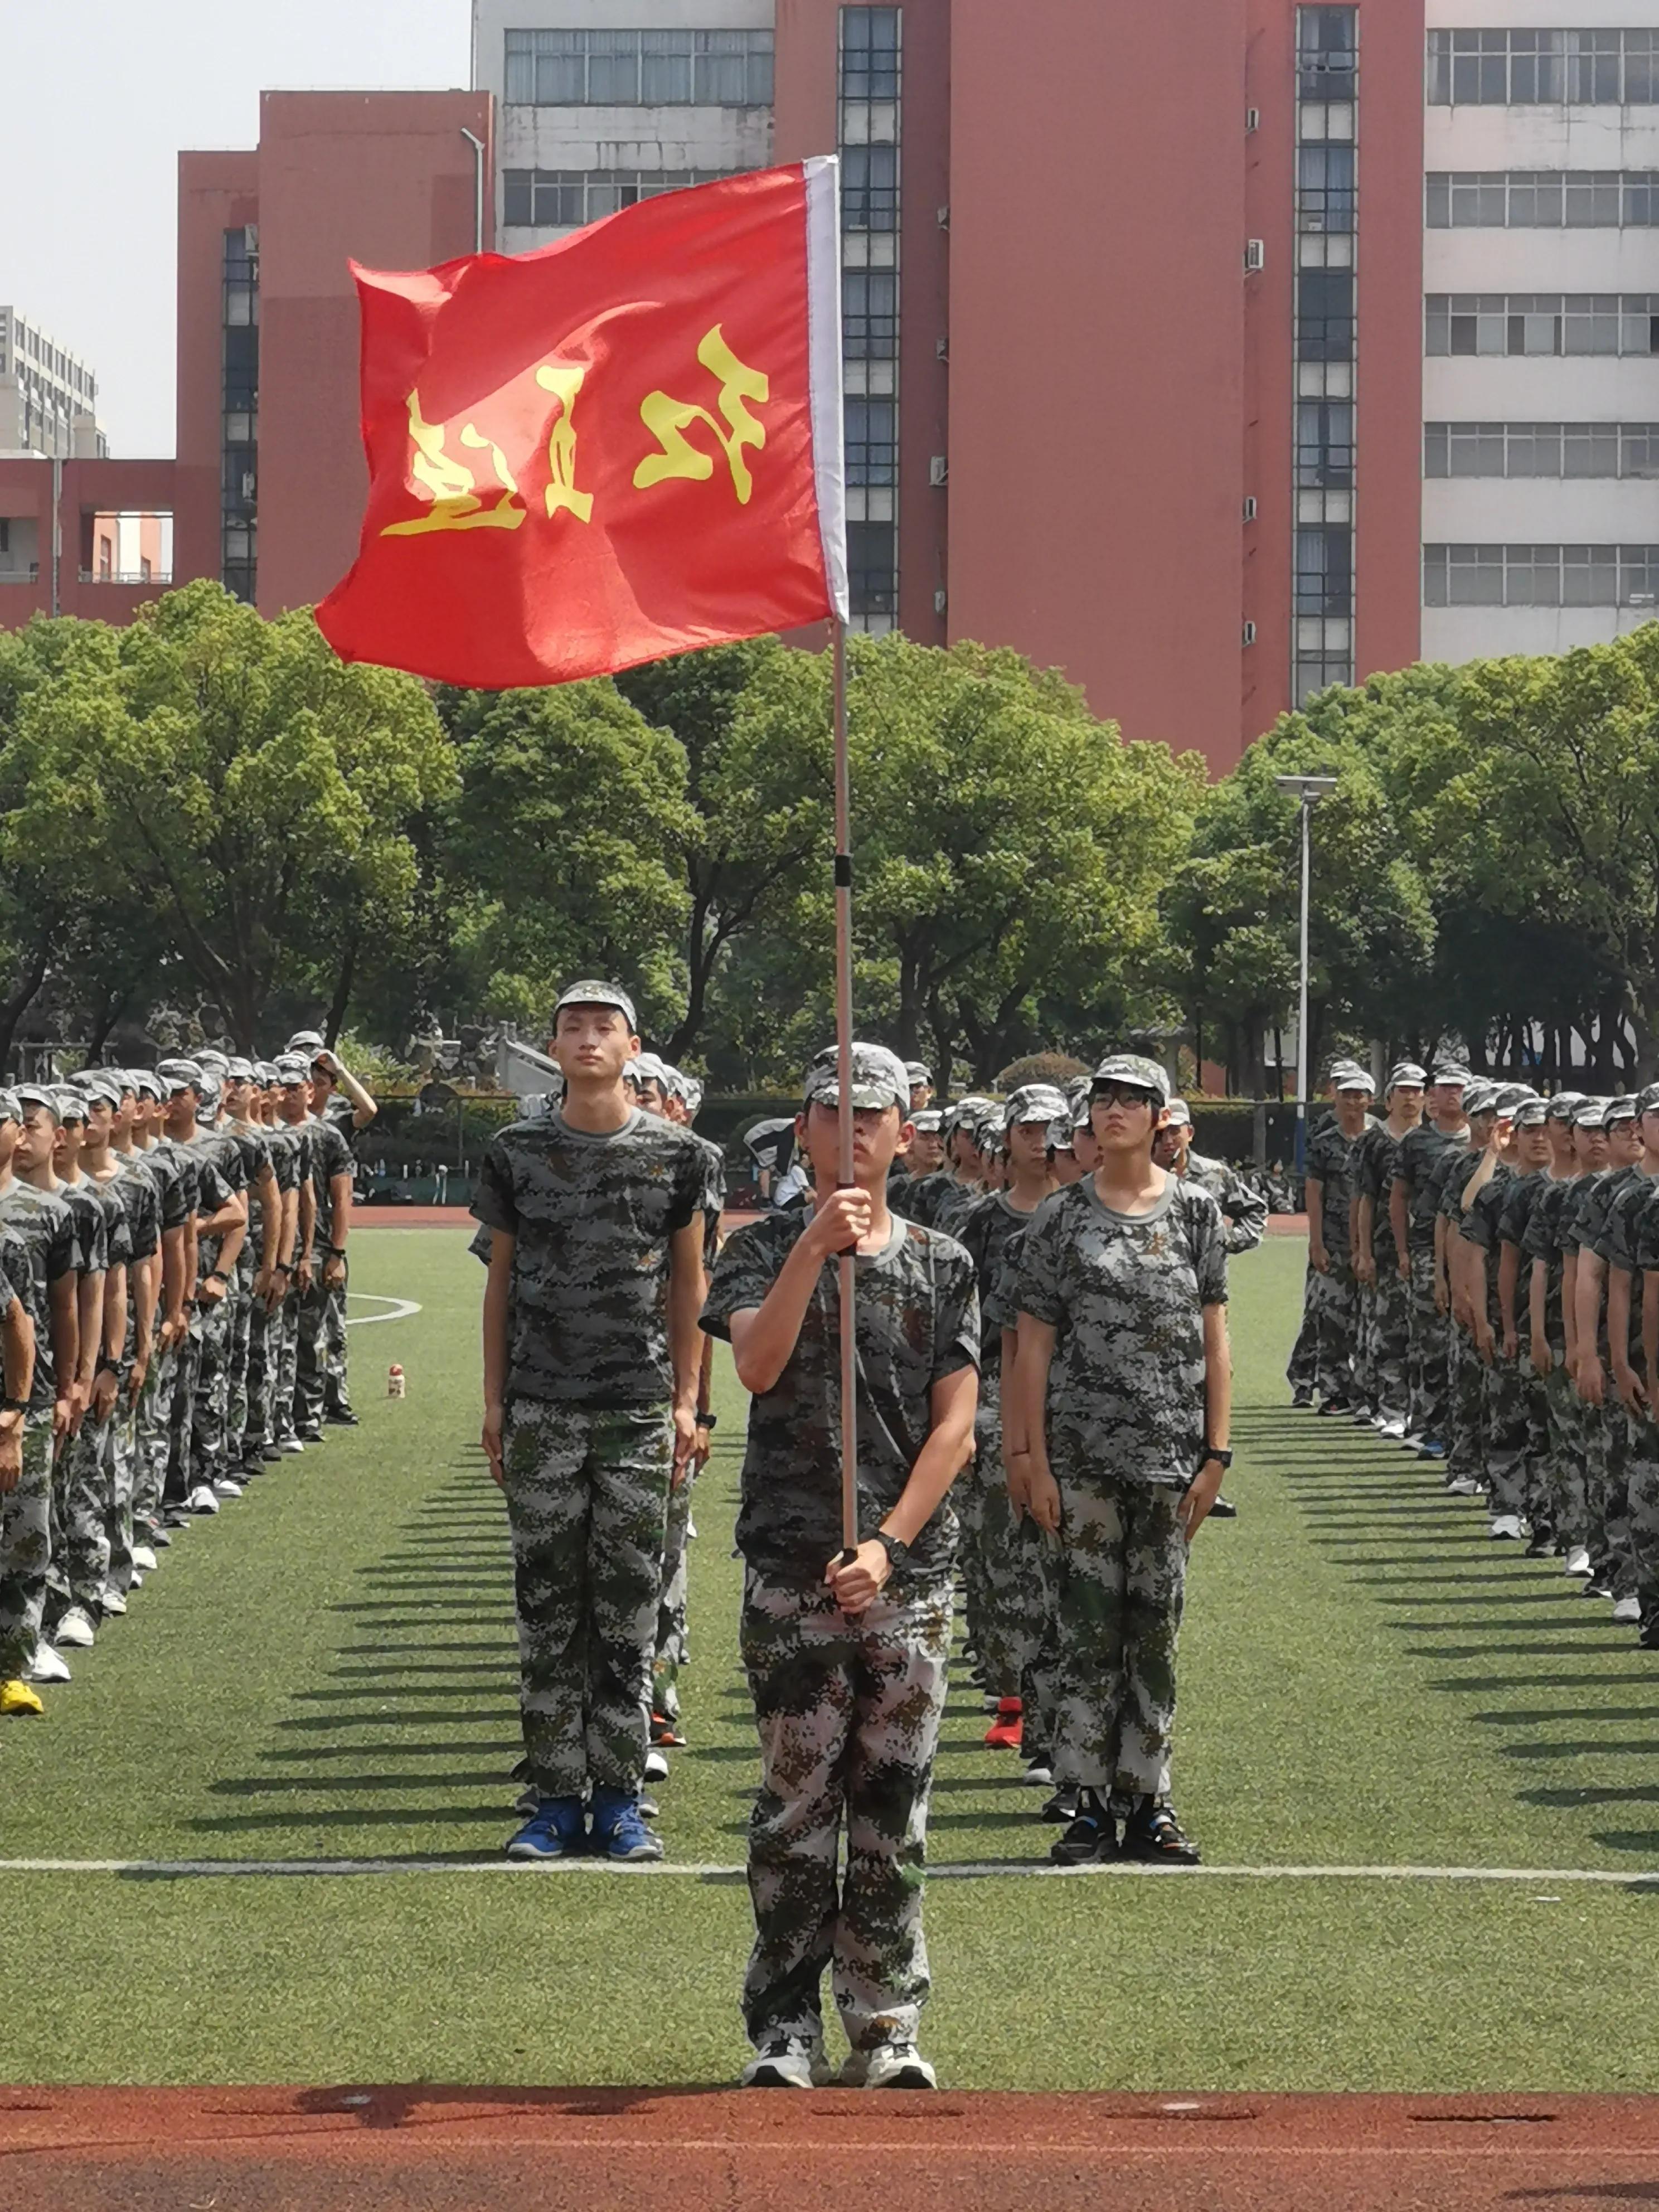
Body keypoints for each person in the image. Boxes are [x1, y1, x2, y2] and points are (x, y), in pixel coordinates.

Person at [701, 1042, 977, 2092]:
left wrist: (889, 1543)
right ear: (804, 1128)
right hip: (791, 1561)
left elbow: (955, 1428)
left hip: (906, 1575)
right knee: (794, 1803)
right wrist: (811, 1250)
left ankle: (886, 2021)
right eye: (833, 1111)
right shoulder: (760, 1245)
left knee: (891, 1805)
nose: (854, 1128)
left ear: (905, 1132)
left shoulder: (945, 1262)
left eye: (875, 1113)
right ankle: (784, 2026)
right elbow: (756, 1364)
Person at [473, 980, 707, 1865]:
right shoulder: (516, 1151)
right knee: (547, 1608)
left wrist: (687, 1400)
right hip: (542, 1403)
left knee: (627, 1612)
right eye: (571, 1027)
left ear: (631, 1045)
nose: (586, 1040)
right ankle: (553, 1798)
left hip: (638, 1408)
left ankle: (618, 1799)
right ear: (555, 1045)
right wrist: (495, 1398)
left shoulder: (680, 1156)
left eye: (603, 1027)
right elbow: (500, 1280)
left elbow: (690, 1283)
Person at [1010, 1051, 1230, 1868]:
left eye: (1133, 1100)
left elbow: (1216, 1339)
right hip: (1082, 1458)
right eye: (1102, 1098)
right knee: (1087, 1633)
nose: (1114, 1110)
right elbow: (1030, 1348)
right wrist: (1028, 1456)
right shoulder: (1061, 1219)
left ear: (1162, 1118)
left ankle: (1151, 1800)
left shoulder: (1198, 1212)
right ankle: (1089, 1802)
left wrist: (1217, 1453)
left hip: (1170, 1458)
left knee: (1156, 1634)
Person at [953, 1084, 1068, 1759]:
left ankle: (1046, 1695)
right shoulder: (983, 1222)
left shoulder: (1076, 1214)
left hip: (1067, 1394)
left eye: (1051, 1127)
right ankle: (1011, 1687)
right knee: (997, 1545)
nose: (1039, 1138)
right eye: (1027, 1126)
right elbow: (970, 1322)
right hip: (998, 1390)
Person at [1386, 1063, 1468, 1455]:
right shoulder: (1417, 1143)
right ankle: (1427, 1423)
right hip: (1425, 1249)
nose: (1452, 1094)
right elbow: (1398, 1197)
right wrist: (1402, 1250)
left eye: (1459, 1087)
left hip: (1470, 1253)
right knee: (1429, 1341)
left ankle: (1458, 1428)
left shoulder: (1483, 1144)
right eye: (1444, 1087)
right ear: (1432, 1095)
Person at [1349, 1064, 1425, 1439]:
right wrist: (1362, 1251)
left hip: (1427, 1251)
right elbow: (1365, 1199)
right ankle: (1390, 1406)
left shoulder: (1433, 1141)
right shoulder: (1375, 1142)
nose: (1411, 1098)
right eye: (1403, 1091)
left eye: (1417, 1090)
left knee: (1424, 1334)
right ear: (1389, 1098)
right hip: (1384, 1248)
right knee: (1388, 1330)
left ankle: (1419, 1411)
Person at [1297, 1065, 1375, 1415]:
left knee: (1371, 1320)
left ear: (1370, 1100)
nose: (1353, 1101)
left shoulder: (1380, 1141)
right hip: (1333, 1239)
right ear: (1337, 1098)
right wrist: (1316, 1243)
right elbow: (1314, 1191)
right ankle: (1333, 1389)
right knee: (1331, 1318)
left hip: (1373, 1244)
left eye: (1360, 1095)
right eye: (1347, 1095)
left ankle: (1368, 1391)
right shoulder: (1324, 1142)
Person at [1152, 1099, 1269, 1256]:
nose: (1167, 1141)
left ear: (1190, 1133)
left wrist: (1227, 1242)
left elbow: (1256, 1210)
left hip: (1203, 1277)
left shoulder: (1213, 1174)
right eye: (1160, 1134)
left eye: (1174, 1131)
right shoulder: (1135, 1176)